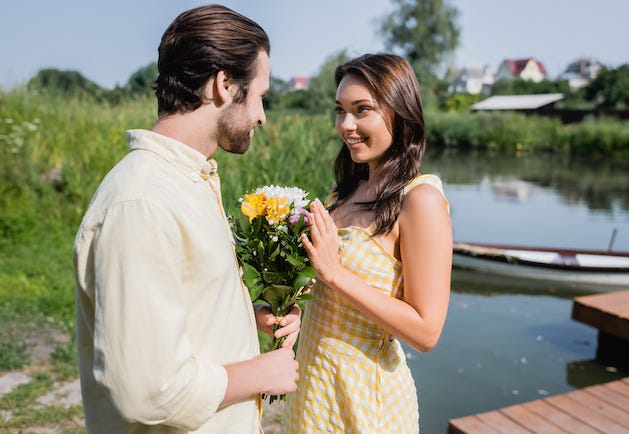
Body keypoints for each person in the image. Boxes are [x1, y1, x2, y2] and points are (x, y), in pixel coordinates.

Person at [73, 5, 300, 433]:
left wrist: (241, 317)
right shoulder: (142, 202)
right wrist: (261, 372)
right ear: (224, 84)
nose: (261, 115)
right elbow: (146, 390)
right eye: (260, 95)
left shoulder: (188, 182)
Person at [282, 53, 453, 433]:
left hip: (365, 407)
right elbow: (326, 294)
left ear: (400, 111)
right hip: (311, 395)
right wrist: (292, 307)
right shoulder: (344, 193)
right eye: (340, 110)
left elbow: (427, 332)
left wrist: (335, 274)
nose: (346, 125)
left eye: (362, 110)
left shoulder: (419, 200)